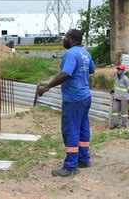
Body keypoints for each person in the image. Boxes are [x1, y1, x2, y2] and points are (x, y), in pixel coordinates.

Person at [37, 29, 95, 177]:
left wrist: (47, 87)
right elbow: (90, 70)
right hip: (85, 96)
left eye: (65, 37)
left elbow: (66, 74)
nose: (64, 40)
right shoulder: (85, 53)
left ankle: (70, 166)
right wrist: (50, 83)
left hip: (73, 99)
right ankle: (83, 159)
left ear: (72, 39)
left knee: (70, 130)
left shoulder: (70, 54)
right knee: (83, 127)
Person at [110, 63, 129, 129]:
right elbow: (115, 86)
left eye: (120, 69)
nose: (118, 70)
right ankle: (115, 124)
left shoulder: (126, 79)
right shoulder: (116, 77)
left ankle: (124, 125)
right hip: (117, 97)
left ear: (123, 70)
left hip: (124, 98)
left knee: (124, 112)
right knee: (114, 111)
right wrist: (113, 90)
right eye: (118, 69)